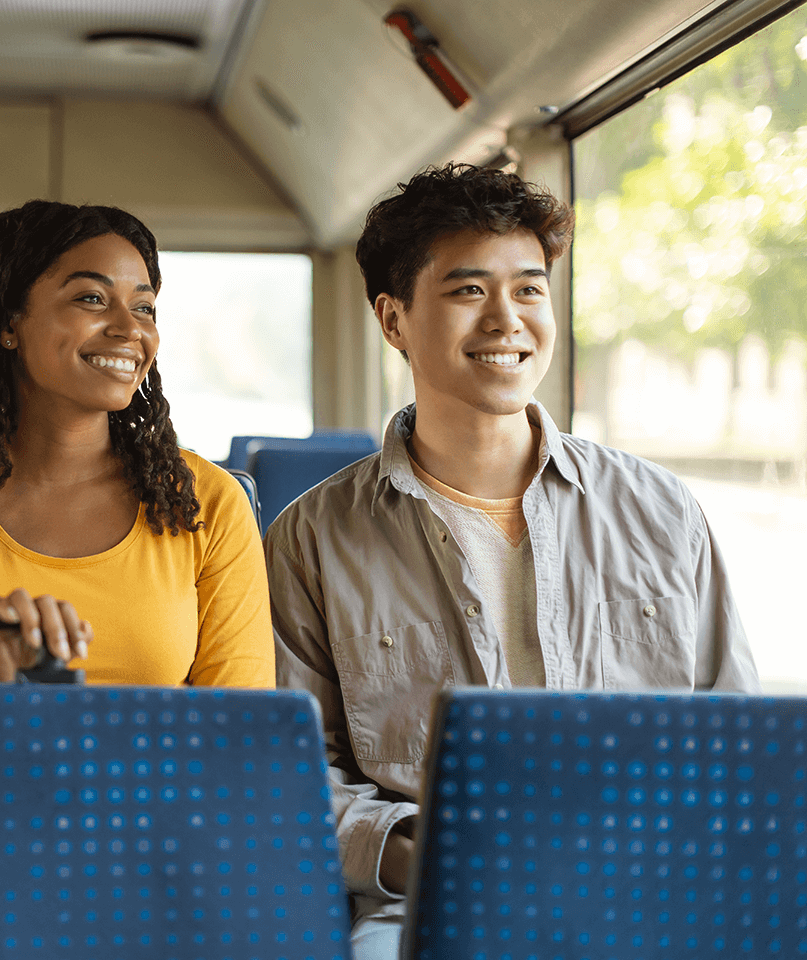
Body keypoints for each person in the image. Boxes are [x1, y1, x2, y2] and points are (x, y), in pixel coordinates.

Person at [264, 163, 761, 960]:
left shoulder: (662, 513)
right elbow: (293, 772)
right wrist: (415, 854)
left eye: (529, 290)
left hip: (647, 890)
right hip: (430, 905)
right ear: (394, 320)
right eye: (468, 292)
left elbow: (734, 732)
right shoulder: (313, 538)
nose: (506, 320)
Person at [0, 200, 273, 687]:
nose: (130, 329)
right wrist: (1, 684)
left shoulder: (207, 503)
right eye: (92, 299)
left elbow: (240, 738)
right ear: (7, 322)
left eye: (144, 307)